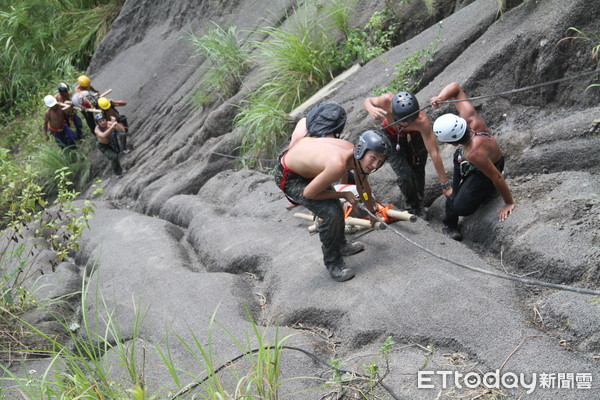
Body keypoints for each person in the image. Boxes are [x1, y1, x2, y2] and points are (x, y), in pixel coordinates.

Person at [274, 130, 391, 282]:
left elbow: (364, 189)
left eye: (380, 162)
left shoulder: (357, 156)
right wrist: (343, 194)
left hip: (306, 168)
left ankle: (341, 244)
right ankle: (333, 263)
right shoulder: (338, 164)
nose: (375, 165)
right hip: (290, 176)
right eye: (373, 158)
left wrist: (372, 214)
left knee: (335, 205)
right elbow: (309, 193)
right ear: (361, 150)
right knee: (330, 211)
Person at [430, 82, 515, 241]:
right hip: (492, 159)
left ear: (453, 142)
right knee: (456, 190)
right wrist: (440, 98)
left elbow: (496, 177)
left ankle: (451, 222)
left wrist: (508, 202)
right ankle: (451, 219)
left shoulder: (474, 153)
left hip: (486, 168)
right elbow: (455, 87)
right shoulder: (470, 118)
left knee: (460, 206)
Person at [364, 91, 452, 218]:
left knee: (418, 170)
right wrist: (371, 109)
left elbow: (434, 153)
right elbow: (368, 100)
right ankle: (412, 206)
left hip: (415, 137)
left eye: (410, 121)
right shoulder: (386, 100)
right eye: (403, 122)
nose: (407, 124)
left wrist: (445, 184)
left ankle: (419, 204)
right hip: (391, 136)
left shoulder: (421, 121)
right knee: (405, 175)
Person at [94, 113, 124, 177]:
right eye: (100, 121)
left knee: (117, 153)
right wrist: (111, 127)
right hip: (103, 146)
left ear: (105, 119)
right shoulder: (97, 129)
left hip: (112, 141)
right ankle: (117, 173)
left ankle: (119, 170)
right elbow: (103, 135)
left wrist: (116, 123)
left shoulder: (110, 123)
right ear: (98, 123)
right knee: (113, 156)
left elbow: (122, 130)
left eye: (103, 120)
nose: (102, 122)